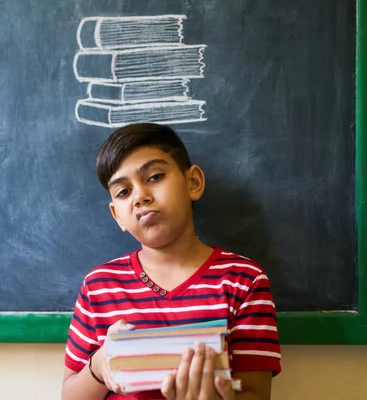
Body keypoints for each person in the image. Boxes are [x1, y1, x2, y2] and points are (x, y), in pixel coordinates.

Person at [61, 123, 281, 400]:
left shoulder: (243, 280)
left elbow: (256, 393)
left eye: (154, 177)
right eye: (123, 192)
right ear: (117, 216)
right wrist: (99, 364)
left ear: (193, 183)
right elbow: (70, 394)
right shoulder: (99, 286)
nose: (140, 196)